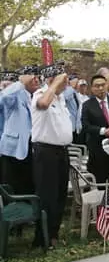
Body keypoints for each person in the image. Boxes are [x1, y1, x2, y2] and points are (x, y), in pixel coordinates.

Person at [30, 65, 72, 249]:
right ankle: (42, 238)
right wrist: (53, 85)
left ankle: (53, 235)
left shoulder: (61, 98)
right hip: (45, 152)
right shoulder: (40, 94)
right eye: (64, 79)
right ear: (51, 80)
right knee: (47, 197)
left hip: (62, 152)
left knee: (60, 196)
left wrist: (57, 88)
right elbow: (43, 105)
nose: (67, 82)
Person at [0, 66, 39, 194]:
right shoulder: (15, 95)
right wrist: (20, 83)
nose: (36, 80)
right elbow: (4, 97)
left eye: (38, 77)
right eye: (33, 78)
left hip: (31, 147)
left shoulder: (37, 97)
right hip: (14, 148)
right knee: (12, 186)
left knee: (28, 185)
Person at [81, 74, 109, 185]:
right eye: (97, 86)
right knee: (100, 180)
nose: (100, 88)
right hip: (97, 150)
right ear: (92, 88)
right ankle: (100, 201)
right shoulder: (87, 105)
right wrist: (103, 131)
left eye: (103, 85)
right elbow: (86, 126)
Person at [64, 74, 82, 144]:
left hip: (75, 126)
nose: (77, 85)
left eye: (77, 83)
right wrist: (71, 87)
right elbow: (65, 97)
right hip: (69, 126)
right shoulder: (67, 91)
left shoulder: (76, 93)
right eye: (76, 83)